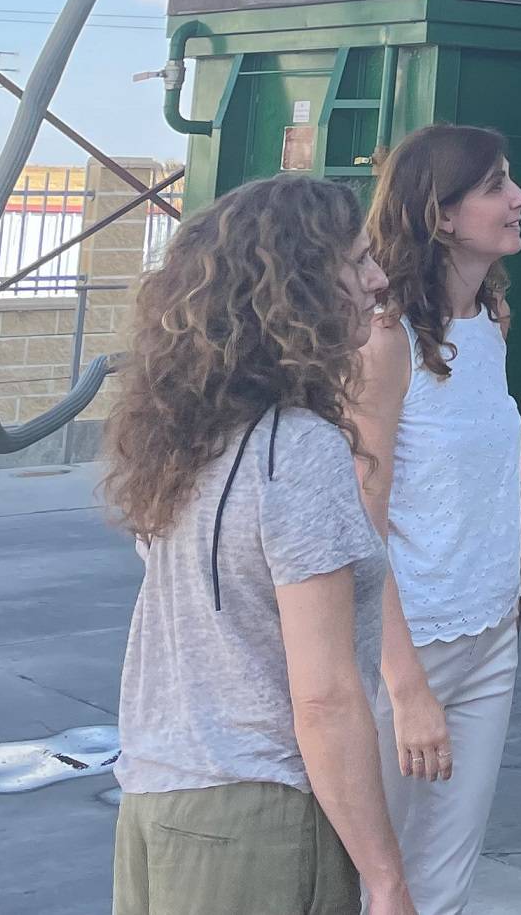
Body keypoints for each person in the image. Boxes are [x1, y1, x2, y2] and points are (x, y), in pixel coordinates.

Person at [100, 174, 415, 915]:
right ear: (298, 286)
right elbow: (325, 695)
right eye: (356, 261)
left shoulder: (183, 440)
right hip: (260, 818)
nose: (377, 279)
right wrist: (386, 876)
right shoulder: (296, 449)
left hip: (156, 803)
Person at [348, 125, 521, 915]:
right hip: (409, 650)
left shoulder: (489, 324)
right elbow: (362, 519)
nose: (519, 197)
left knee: (445, 888)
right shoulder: (382, 339)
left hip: (491, 636)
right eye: (496, 184)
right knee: (371, 888)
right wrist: (405, 684)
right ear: (442, 213)